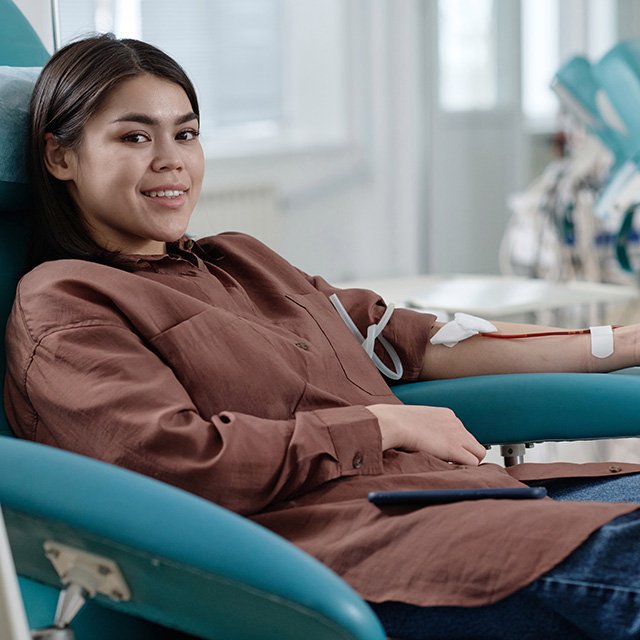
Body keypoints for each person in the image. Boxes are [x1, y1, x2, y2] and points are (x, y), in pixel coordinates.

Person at [4, 34, 640, 640]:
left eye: (186, 133)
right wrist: (380, 427)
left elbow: (402, 336)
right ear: (61, 156)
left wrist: (620, 343)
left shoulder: (239, 259)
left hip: (451, 497)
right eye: (135, 136)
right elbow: (170, 463)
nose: (170, 158)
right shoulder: (65, 300)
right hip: (330, 550)